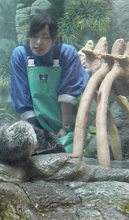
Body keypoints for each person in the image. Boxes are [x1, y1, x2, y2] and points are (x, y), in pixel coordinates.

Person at [9, 13, 90, 153]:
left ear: (54, 39)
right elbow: (20, 93)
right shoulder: (20, 54)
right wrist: (37, 132)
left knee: (65, 152)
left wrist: (65, 128)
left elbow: (68, 93)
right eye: (34, 36)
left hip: (67, 125)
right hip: (35, 125)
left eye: (45, 37)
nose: (38, 42)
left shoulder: (66, 53)